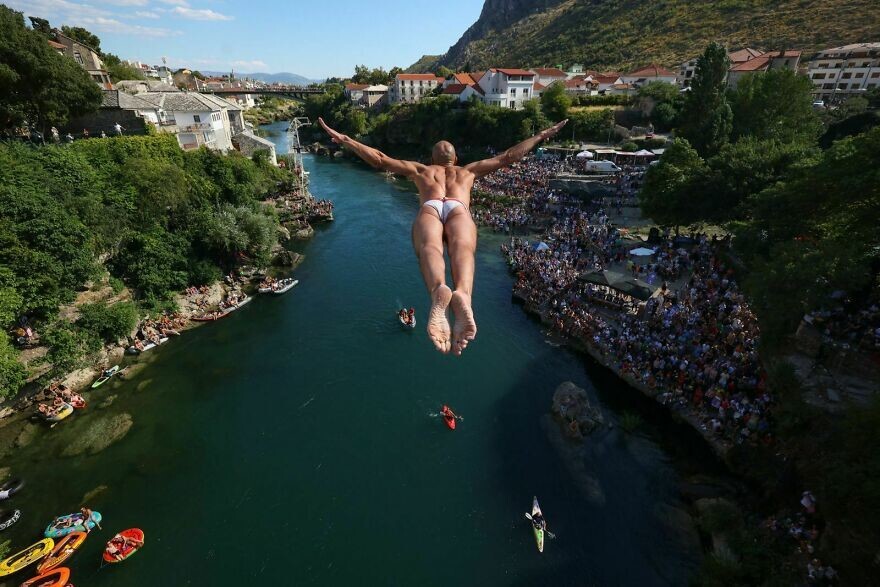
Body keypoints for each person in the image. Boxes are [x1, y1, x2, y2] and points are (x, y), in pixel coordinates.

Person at [318, 117, 567, 355]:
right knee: (462, 249)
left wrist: (346, 139)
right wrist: (541, 135)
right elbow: (509, 156)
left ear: (432, 158)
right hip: (459, 206)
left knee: (430, 248)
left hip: (431, 206)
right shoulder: (468, 171)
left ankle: (439, 288)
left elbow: (380, 160)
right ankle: (464, 296)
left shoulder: (422, 170)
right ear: (455, 158)